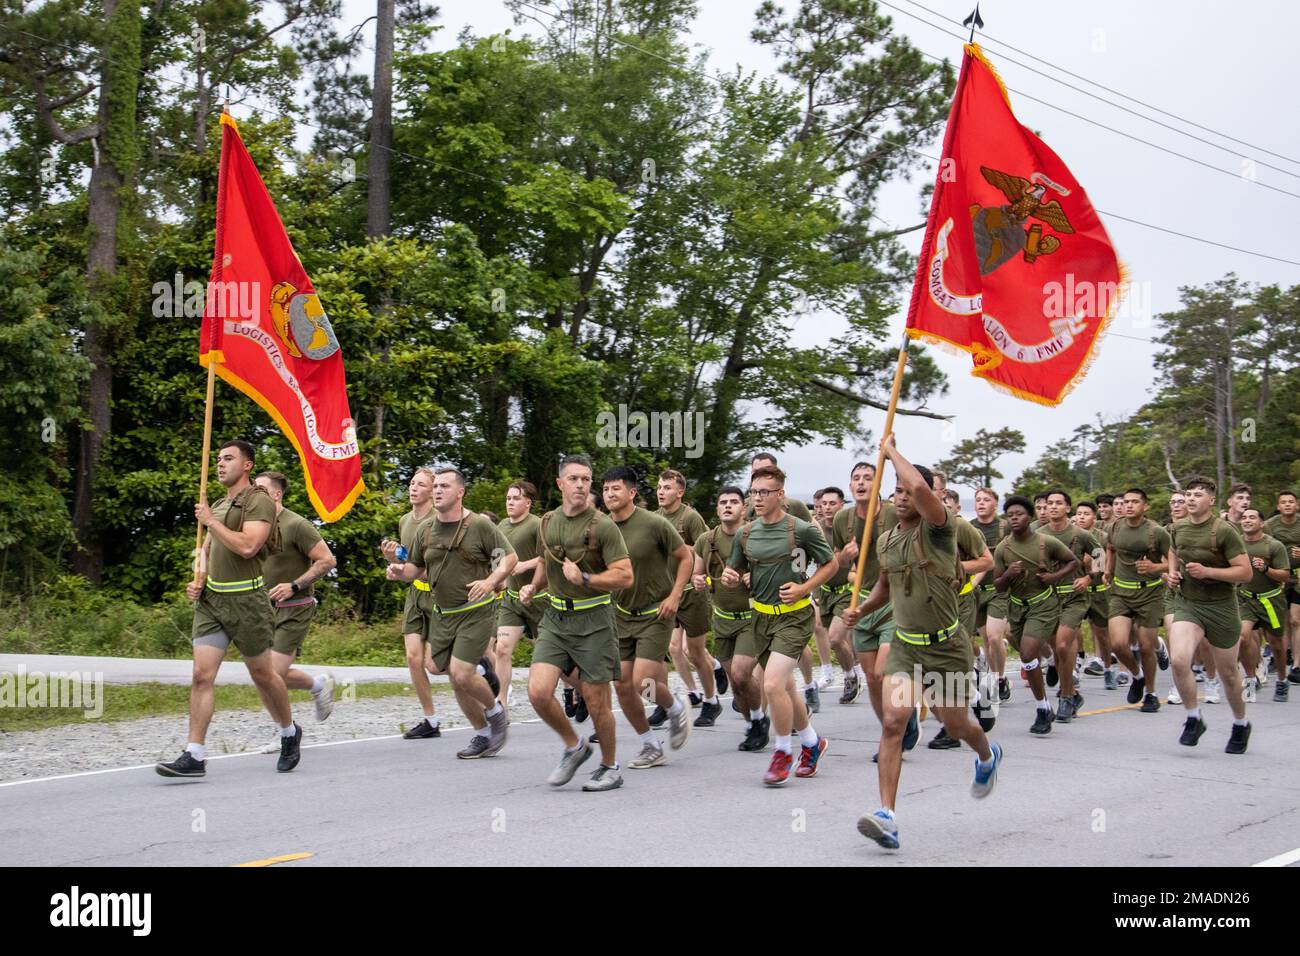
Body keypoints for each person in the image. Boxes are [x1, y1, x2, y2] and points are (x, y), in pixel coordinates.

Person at [843, 437, 1001, 849]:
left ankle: (987, 754)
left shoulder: (940, 529)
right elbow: (884, 584)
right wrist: (863, 608)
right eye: (894, 490)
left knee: (956, 725)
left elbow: (922, 488)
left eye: (906, 490)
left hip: (946, 648)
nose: (901, 497)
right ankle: (887, 815)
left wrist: (892, 451)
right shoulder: (886, 539)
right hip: (905, 644)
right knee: (894, 721)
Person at [157, 440, 301, 778]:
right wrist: (199, 578)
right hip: (213, 603)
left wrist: (210, 520)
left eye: (228, 459)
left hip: (247, 603)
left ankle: (289, 732)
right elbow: (206, 548)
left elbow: (249, 546)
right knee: (201, 676)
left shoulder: (258, 501)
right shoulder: (221, 503)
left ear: (247, 465)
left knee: (263, 676)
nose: (220, 464)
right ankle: (194, 754)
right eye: (218, 459)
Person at [386, 468, 516, 759]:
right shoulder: (426, 529)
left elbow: (508, 558)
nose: (438, 491)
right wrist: (396, 570)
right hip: (443, 613)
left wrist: (490, 581)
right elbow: (414, 570)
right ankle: (482, 733)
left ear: (460, 492)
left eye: (445, 486)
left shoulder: (479, 526)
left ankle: (495, 713)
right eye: (437, 486)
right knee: (446, 673)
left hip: (476, 611)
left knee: (460, 672)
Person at [722, 463, 839, 785]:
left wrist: (804, 587)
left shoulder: (800, 529)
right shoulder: (746, 533)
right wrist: (729, 577)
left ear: (780, 494)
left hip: (793, 617)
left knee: (772, 684)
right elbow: (734, 573)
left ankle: (783, 752)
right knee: (785, 688)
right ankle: (813, 743)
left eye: (764, 492)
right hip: (759, 618)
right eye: (754, 492)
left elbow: (830, 564)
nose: (757, 498)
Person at [521, 455, 631, 791]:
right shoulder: (548, 521)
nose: (581, 485)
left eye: (586, 479)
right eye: (574, 479)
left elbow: (625, 576)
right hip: (555, 618)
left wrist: (585, 577)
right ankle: (575, 746)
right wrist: (534, 585)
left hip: (594, 619)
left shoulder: (603, 526)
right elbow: (547, 560)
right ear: (560, 484)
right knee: (538, 692)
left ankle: (610, 767)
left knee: (597, 701)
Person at [603, 466, 694, 768]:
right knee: (621, 685)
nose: (609, 494)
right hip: (621, 615)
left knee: (642, 682)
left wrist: (675, 596)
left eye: (616, 488)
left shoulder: (653, 523)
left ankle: (674, 705)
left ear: (631, 493)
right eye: (605, 489)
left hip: (656, 612)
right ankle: (650, 745)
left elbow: (686, 557)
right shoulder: (603, 528)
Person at [1164, 476, 1253, 753]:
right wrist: (1172, 573)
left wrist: (1209, 572)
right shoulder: (1177, 528)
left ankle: (1241, 723)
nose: (1191, 499)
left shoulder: (1224, 531)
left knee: (1228, 674)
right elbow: (1173, 550)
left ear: (1211, 500)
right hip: (1188, 604)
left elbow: (1245, 572)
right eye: (1188, 494)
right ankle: (1193, 717)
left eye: (1198, 495)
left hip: (1222, 607)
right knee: (1179, 661)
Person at [253, 471, 338, 754]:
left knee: (271, 673)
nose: (254, 494)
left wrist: (293, 585)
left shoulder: (297, 524)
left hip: (295, 607)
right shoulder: (255, 525)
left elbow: (327, 560)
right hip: (262, 610)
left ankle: (287, 734)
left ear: (276, 494)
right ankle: (316, 688)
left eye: (260, 489)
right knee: (263, 676)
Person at [991, 496, 1080, 734]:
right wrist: (1009, 574)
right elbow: (997, 585)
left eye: (1019, 514)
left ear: (1029, 516)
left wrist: (1053, 578)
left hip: (1043, 605)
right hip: (1017, 607)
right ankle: (1047, 698)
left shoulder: (1045, 542)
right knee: (1028, 659)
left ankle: (1042, 709)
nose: (1015, 519)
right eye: (1010, 516)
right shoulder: (1004, 548)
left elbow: (1073, 562)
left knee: (1028, 653)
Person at [695, 487, 765, 748]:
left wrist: (754, 577)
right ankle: (752, 723)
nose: (727, 506)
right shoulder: (706, 540)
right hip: (722, 619)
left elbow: (779, 569)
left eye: (733, 502)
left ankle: (760, 719)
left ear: (743, 508)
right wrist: (698, 581)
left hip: (752, 616)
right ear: (716, 509)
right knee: (736, 683)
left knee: (740, 673)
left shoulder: (757, 535)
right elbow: (696, 572)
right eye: (723, 502)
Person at [654, 469, 725, 722]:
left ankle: (711, 700)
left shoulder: (690, 518)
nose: (662, 492)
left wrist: (681, 548)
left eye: (667, 488)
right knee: (669, 648)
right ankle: (668, 702)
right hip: (666, 594)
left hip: (692, 594)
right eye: (660, 487)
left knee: (695, 652)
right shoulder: (654, 518)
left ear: (680, 492)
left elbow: (708, 549)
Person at [381, 469, 441, 738]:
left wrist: (404, 567)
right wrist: (392, 564)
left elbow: (437, 566)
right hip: (416, 595)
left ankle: (479, 669)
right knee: (412, 658)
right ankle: (431, 720)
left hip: (441, 594)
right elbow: (408, 564)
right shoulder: (405, 520)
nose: (414, 488)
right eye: (412, 483)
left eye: (421, 484)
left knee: (434, 665)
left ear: (432, 491)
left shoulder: (438, 521)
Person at [1105, 488, 1171, 713]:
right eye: (1126, 501)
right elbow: (1111, 548)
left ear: (1146, 507)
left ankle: (1151, 693)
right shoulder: (1115, 526)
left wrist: (1156, 567)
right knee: (1118, 644)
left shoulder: (1157, 532)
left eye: (1135, 502)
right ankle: (1137, 675)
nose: (1129, 505)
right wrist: (1107, 571)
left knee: (1145, 646)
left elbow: (1175, 562)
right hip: (1120, 592)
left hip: (1150, 593)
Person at [1041, 490, 1100, 721]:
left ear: (1068, 508)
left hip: (1074, 598)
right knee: (1057, 650)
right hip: (1047, 599)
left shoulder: (1081, 535)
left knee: (1064, 645)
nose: (1053, 507)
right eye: (1049, 504)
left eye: (1058, 503)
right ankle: (1073, 693)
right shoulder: (1038, 534)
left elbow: (1100, 557)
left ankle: (1065, 696)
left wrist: (1088, 578)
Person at [493, 480, 545, 707]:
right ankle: (501, 702)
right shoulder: (502, 526)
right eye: (508, 498)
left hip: (540, 600)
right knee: (502, 649)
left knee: (547, 656)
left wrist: (526, 565)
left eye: (515, 498)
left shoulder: (538, 525)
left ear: (528, 503)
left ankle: (573, 689)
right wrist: (495, 581)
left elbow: (550, 557)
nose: (510, 502)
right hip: (512, 599)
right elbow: (497, 558)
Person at [1236, 508, 1290, 703]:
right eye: (1244, 517)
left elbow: (1285, 575)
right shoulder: (1236, 543)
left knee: (1276, 645)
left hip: (1271, 600)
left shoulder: (1273, 546)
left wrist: (1266, 569)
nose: (1247, 520)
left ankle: (1282, 680)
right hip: (1245, 599)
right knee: (1242, 638)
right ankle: (1250, 679)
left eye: (1252, 517)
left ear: (1261, 523)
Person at [971, 488, 1012, 702]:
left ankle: (1000, 678)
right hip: (977, 592)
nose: (981, 503)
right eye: (978, 500)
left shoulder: (1005, 527)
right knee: (986, 638)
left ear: (995, 504)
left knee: (995, 636)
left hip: (999, 591)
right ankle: (994, 674)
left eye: (986, 500)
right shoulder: (969, 528)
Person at [1073, 501, 1116, 689]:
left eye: (1086, 513)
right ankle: (1074, 668)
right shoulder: (1071, 536)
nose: (1082, 517)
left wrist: (1091, 573)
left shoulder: (1102, 537)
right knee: (1071, 630)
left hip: (1098, 591)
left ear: (1094, 516)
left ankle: (1107, 668)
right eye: (1079, 513)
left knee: (1102, 634)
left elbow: (1102, 559)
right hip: (1076, 592)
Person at [1264, 491, 1300, 686]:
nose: (1287, 505)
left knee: (1296, 619)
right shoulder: (1271, 525)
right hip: (1279, 576)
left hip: (1299, 576)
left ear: (1296, 505)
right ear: (1278, 506)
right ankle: (1282, 654)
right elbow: (1263, 544)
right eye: (1283, 502)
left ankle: (1297, 666)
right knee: (1282, 620)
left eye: (1291, 502)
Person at [744, 452, 812, 520]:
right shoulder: (742, 507)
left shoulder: (795, 506)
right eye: (756, 472)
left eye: (766, 471)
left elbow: (814, 529)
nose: (760, 475)